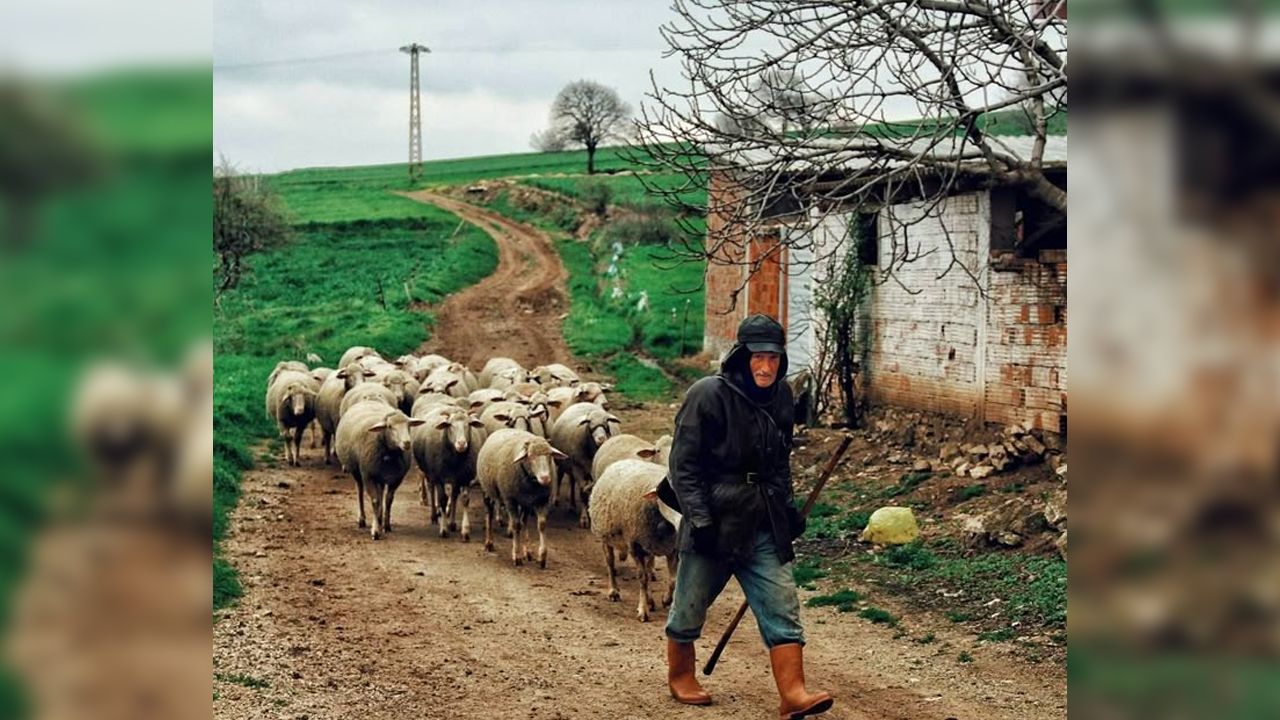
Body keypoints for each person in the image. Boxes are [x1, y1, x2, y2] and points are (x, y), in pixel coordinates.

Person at [661, 314, 833, 719]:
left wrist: (787, 510)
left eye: (774, 358)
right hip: (714, 519)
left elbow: (780, 463)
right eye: (758, 357)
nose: (766, 367)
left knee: (782, 604)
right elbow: (683, 466)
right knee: (689, 605)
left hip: (761, 520)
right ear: (742, 356)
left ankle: (793, 693)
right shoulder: (707, 395)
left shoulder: (782, 398)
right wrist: (700, 519)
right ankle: (681, 675)